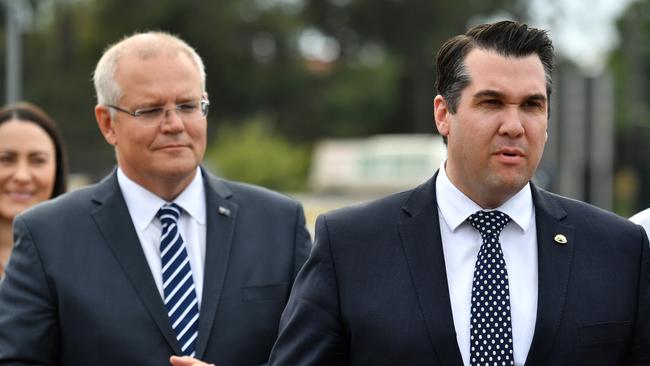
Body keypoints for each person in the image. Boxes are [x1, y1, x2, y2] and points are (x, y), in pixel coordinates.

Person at [269, 20, 650, 366]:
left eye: (532, 105)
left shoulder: (619, 249)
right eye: (492, 103)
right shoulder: (350, 246)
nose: (514, 126)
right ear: (443, 114)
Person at [0, 32, 311, 366]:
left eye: (188, 106)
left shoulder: (279, 223)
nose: (174, 124)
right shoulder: (47, 235)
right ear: (107, 123)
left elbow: (316, 355)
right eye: (150, 111)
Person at [0, 102, 67, 278]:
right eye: (6, 159)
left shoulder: (84, 255)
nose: (22, 176)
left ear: (56, 168)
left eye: (37, 160)